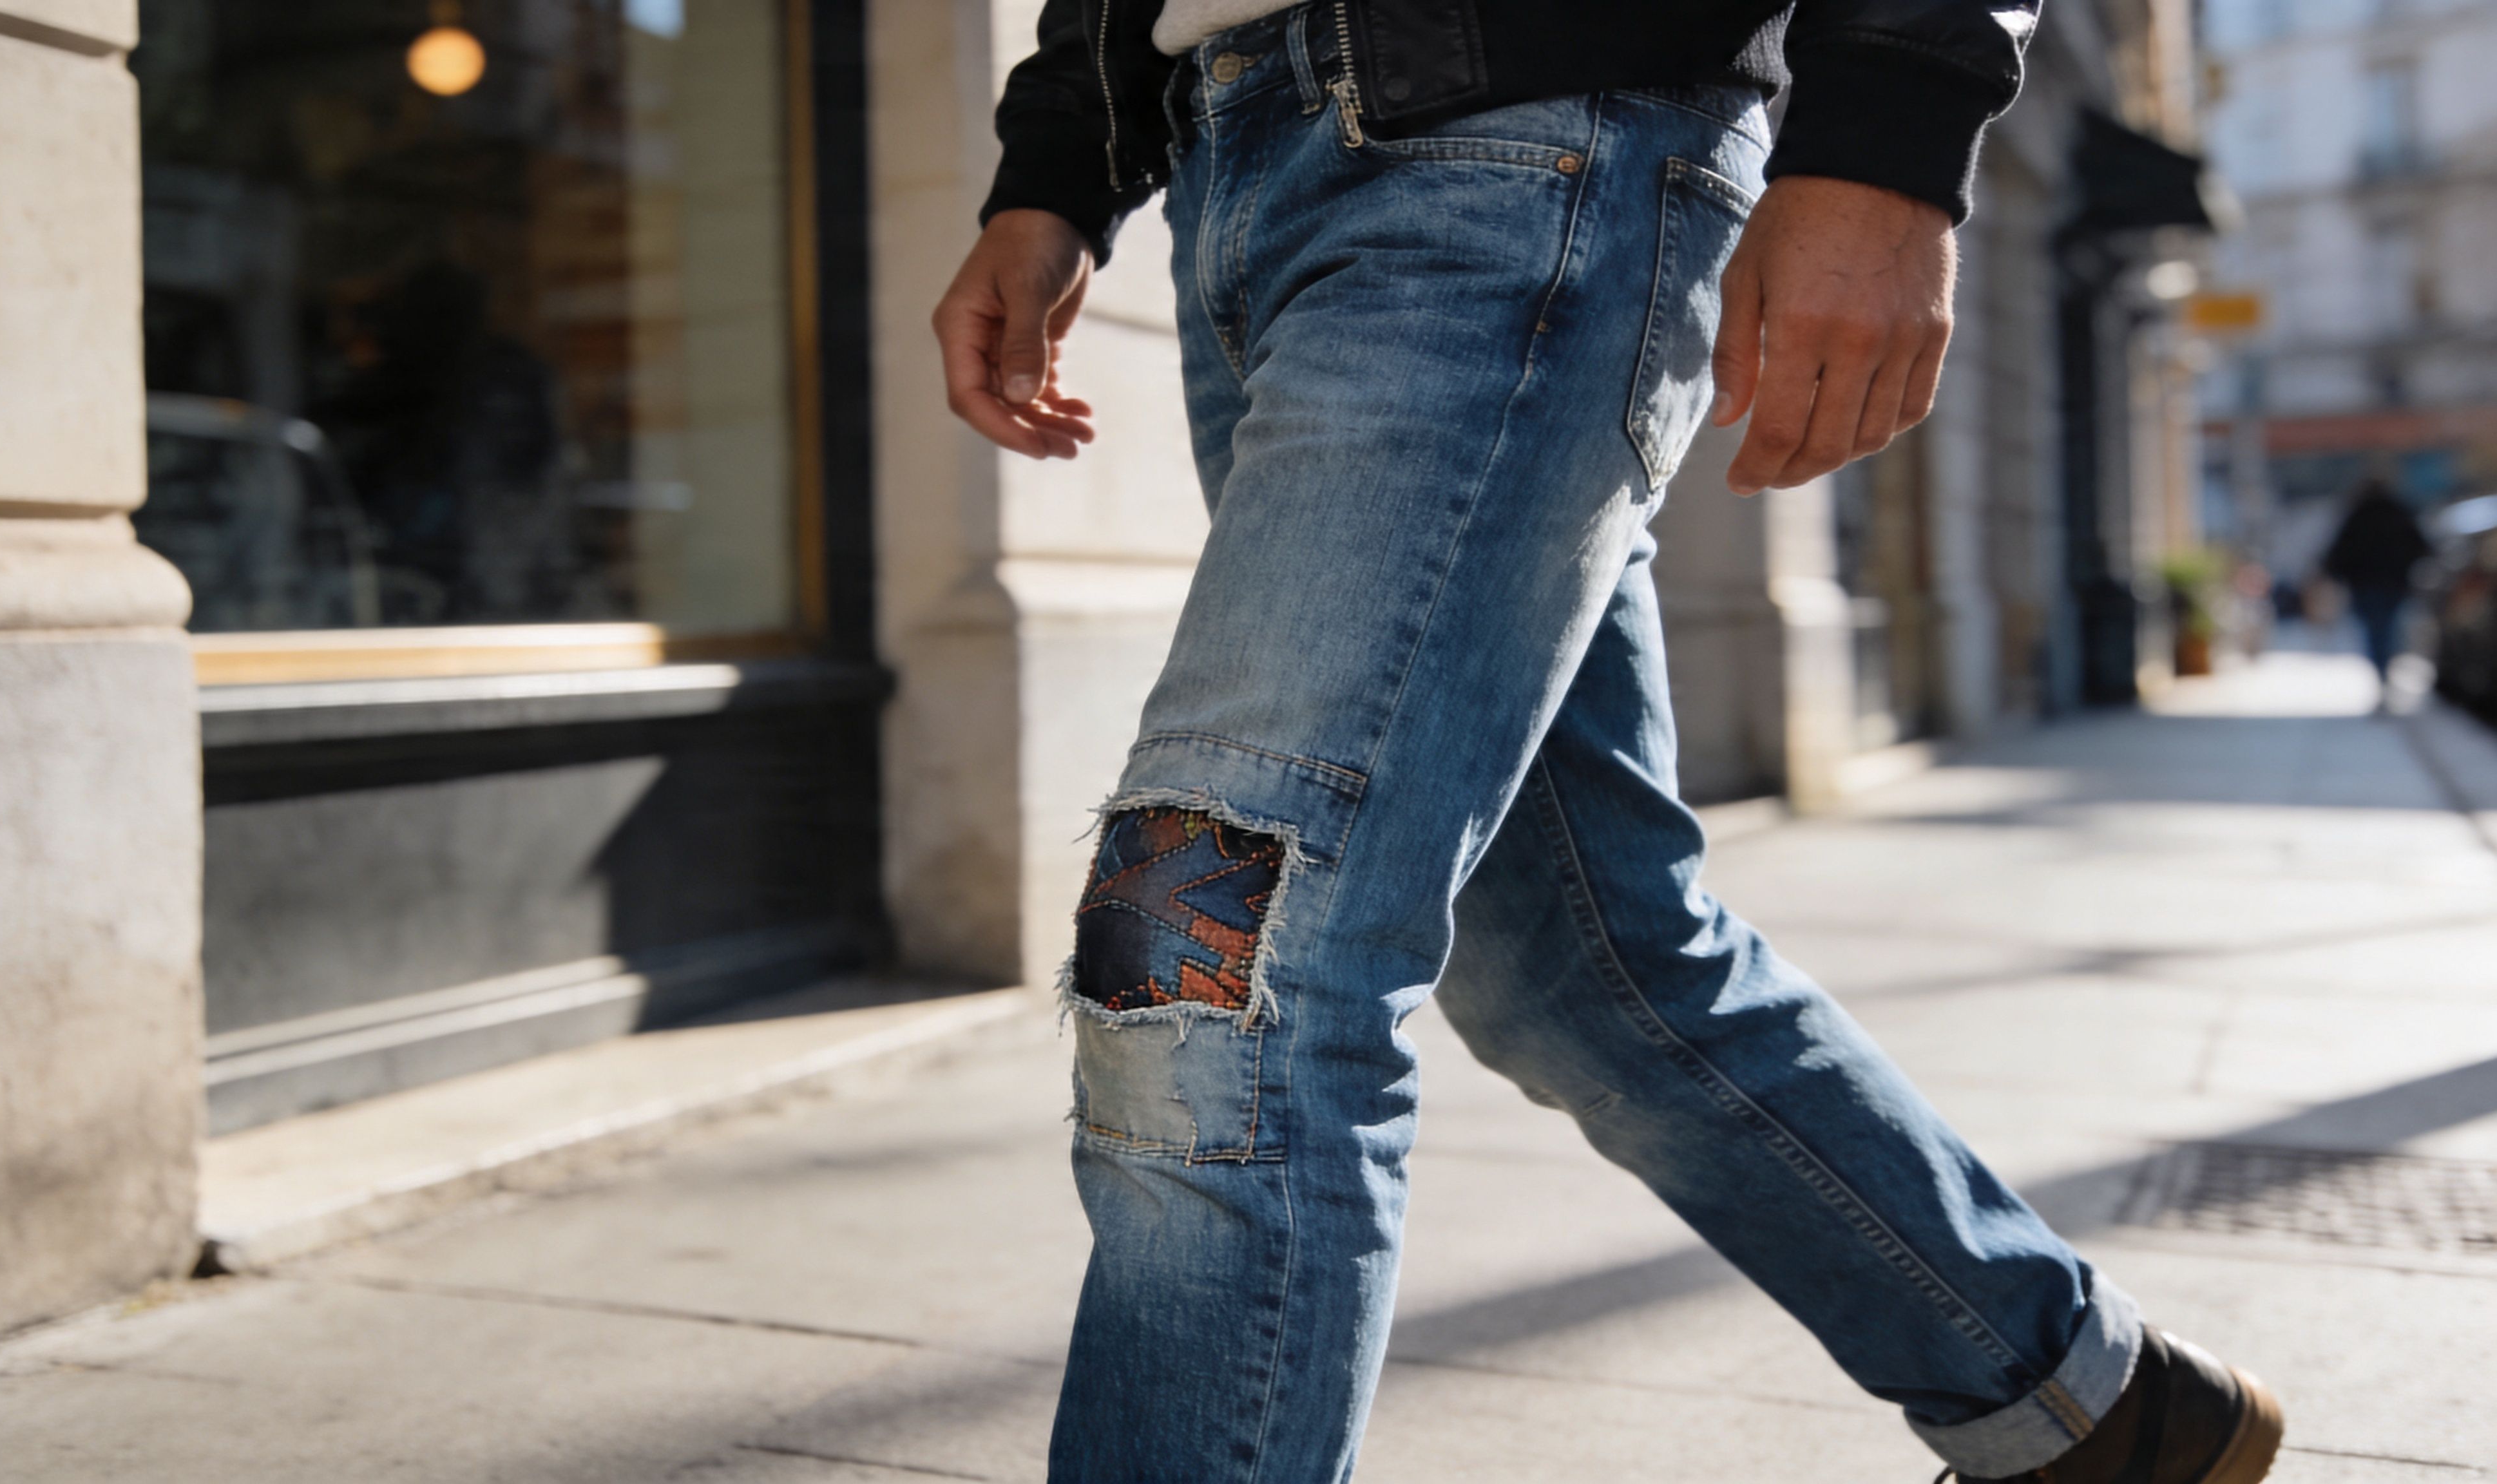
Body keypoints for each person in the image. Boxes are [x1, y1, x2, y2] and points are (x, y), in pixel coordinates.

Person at [933, 3, 2284, 1479]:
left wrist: (1891, 127)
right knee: (1585, 959)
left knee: (1202, 953)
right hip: (1238, 165)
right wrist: (1056, 169)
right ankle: (2093, 1410)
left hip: (1532, 138)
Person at [2321, 478, 2433, 690]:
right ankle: (2384, 668)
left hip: (2365, 584)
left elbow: (2341, 550)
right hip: (2393, 583)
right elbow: (2421, 545)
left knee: (2374, 630)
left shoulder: (2359, 514)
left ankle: (2381, 671)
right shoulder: (2398, 512)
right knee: (2389, 628)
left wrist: (2337, 573)